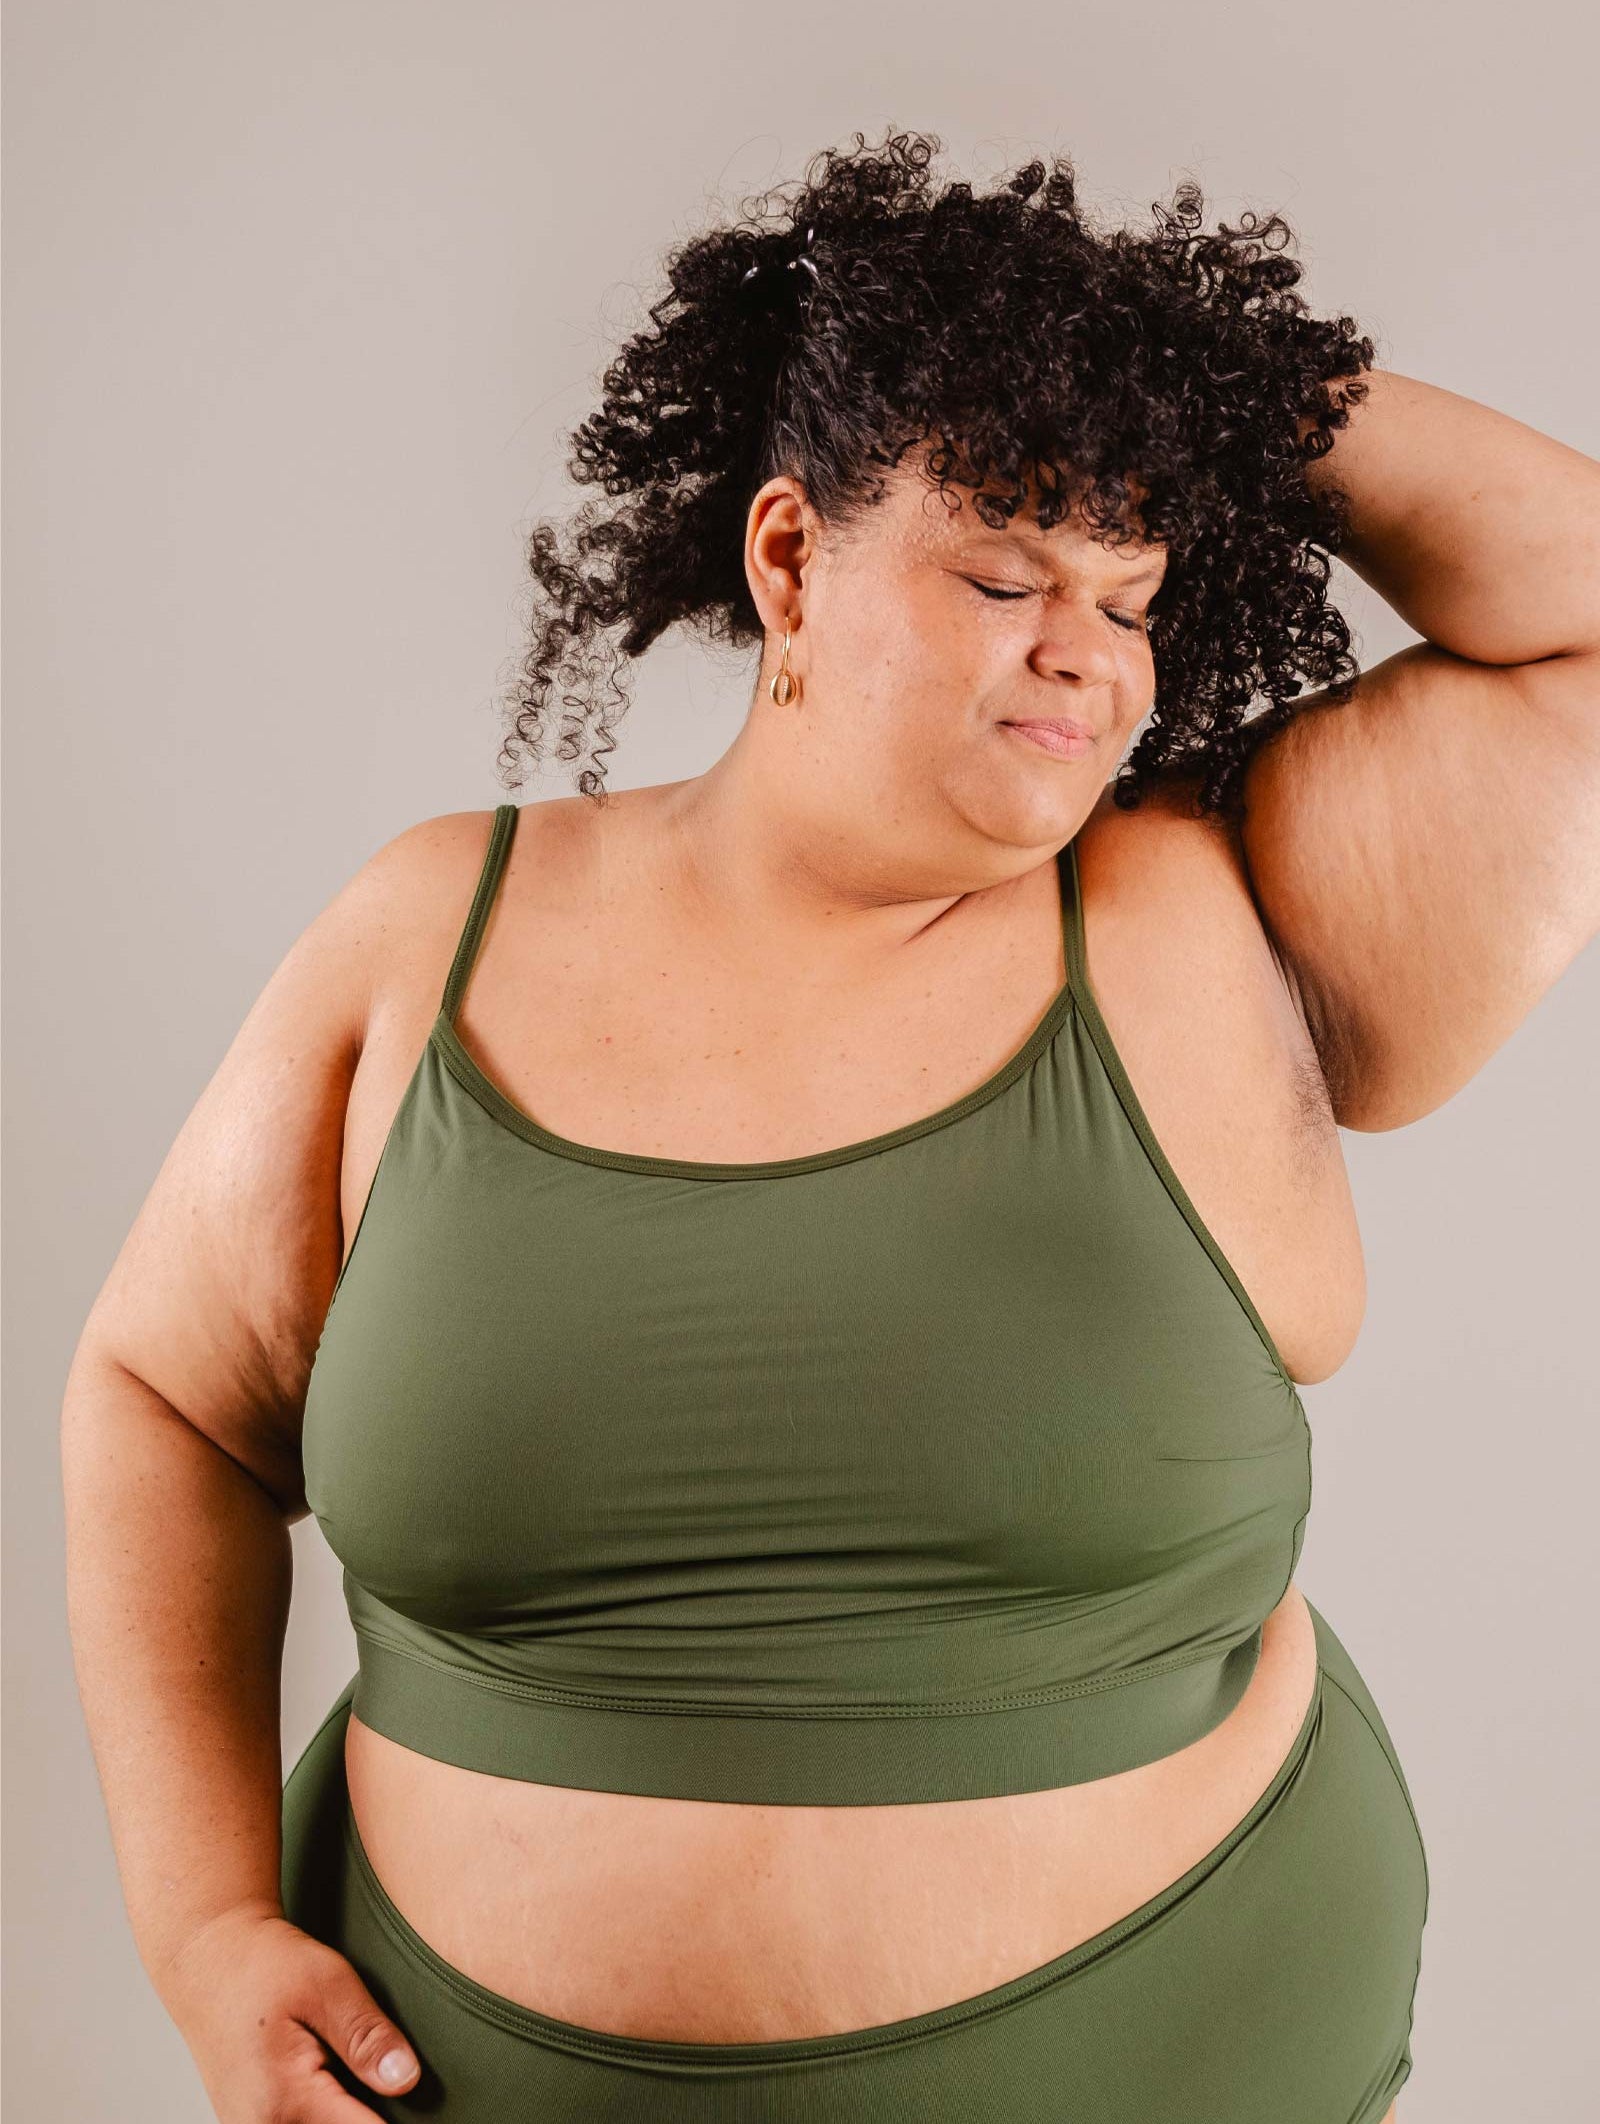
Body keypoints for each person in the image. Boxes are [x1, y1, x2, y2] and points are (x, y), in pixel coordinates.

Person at [63, 127, 1599, 2123]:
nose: (1084, 651)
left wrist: (1180, 367)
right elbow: (161, 1400)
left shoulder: (1213, 909)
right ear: (785, 558)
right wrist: (197, 1927)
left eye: (1127, 598)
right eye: (998, 569)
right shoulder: (429, 929)